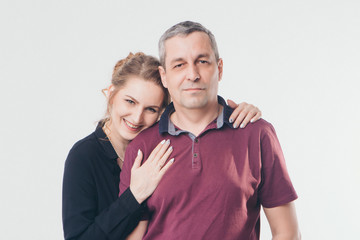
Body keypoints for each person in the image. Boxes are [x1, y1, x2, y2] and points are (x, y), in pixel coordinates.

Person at [120, 21, 300, 240]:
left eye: (202, 61)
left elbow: (287, 233)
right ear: (164, 76)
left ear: (219, 68)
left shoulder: (257, 134)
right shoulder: (142, 146)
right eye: (179, 65)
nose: (192, 74)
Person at [62, 52, 262, 240]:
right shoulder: (84, 156)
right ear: (111, 93)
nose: (137, 117)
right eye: (130, 102)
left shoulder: (161, 146)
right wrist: (134, 196)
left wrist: (236, 112)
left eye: (150, 109)